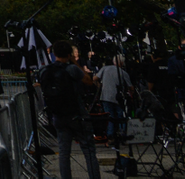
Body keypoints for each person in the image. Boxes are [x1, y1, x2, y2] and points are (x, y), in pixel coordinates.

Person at [41, 40, 101, 179]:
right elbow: (88, 80)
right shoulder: (71, 69)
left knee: (64, 152)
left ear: (54, 53)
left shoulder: (46, 70)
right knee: (89, 150)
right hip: (77, 114)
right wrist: (75, 62)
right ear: (69, 54)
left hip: (58, 116)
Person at [96, 55, 132, 144]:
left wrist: (100, 86)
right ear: (122, 63)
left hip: (105, 96)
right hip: (118, 97)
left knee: (110, 117)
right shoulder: (123, 72)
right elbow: (131, 87)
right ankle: (122, 135)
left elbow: (94, 78)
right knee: (121, 116)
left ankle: (110, 136)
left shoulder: (104, 69)